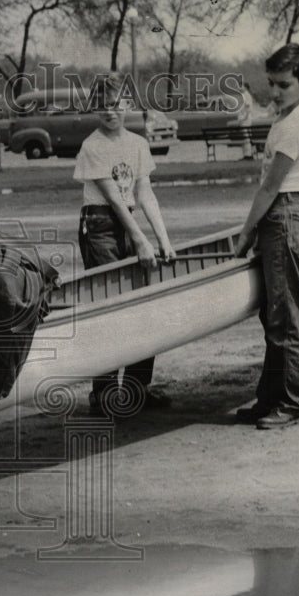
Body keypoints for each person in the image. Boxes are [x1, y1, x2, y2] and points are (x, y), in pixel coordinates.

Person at [74, 73, 177, 418]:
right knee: (109, 307)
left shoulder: (137, 143)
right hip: (101, 225)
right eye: (102, 105)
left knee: (143, 305)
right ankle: (102, 394)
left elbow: (144, 193)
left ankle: (136, 389)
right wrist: (141, 239)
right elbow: (115, 200)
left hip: (128, 222)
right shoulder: (93, 146)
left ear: (128, 105)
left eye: (117, 104)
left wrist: (162, 239)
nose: (110, 111)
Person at [234, 43, 299, 430]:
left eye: (284, 84)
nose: (276, 92)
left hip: (284, 217)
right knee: (274, 318)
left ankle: (292, 403)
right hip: (277, 219)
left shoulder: (296, 124)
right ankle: (269, 399)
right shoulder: (285, 119)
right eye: (271, 84)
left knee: (288, 320)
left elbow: (269, 188)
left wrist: (245, 232)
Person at [238, 80, 256, 160]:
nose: (239, 87)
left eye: (241, 86)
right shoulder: (243, 95)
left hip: (245, 119)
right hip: (244, 119)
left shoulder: (246, 95)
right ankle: (247, 154)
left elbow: (248, 108)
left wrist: (244, 117)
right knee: (245, 137)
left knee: (246, 137)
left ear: (245, 87)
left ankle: (248, 155)